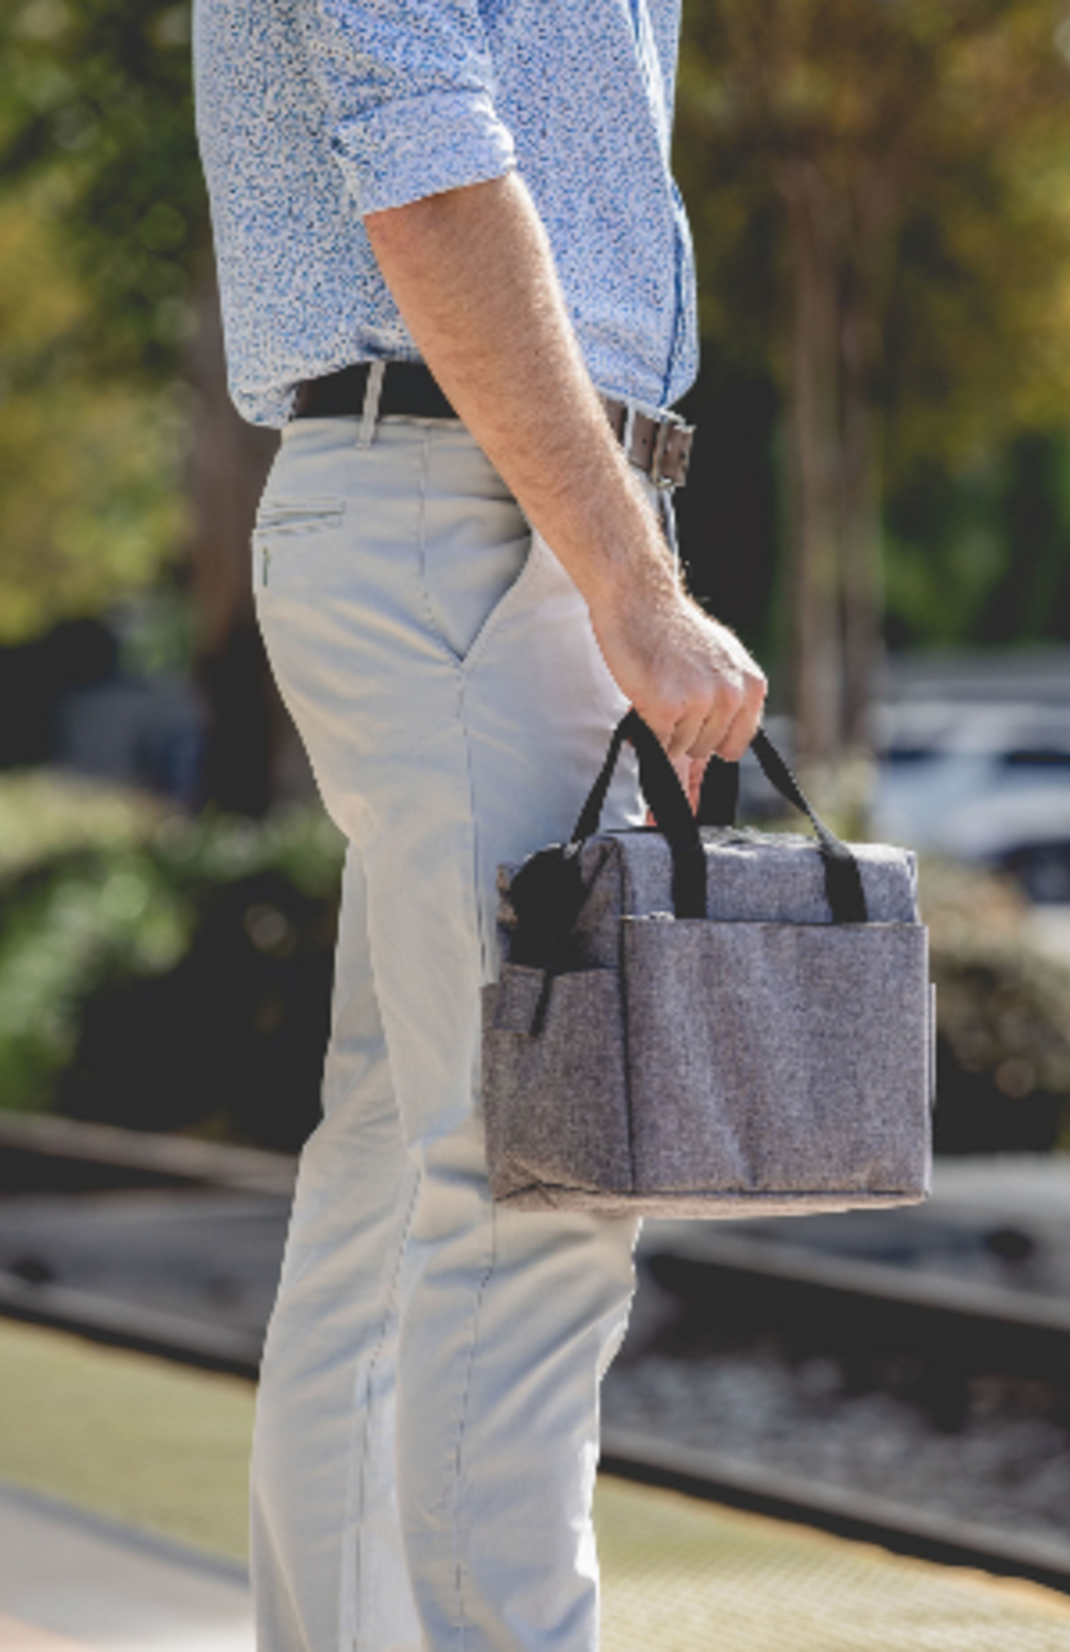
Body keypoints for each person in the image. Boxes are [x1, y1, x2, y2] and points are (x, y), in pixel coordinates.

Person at [192, 2, 767, 1647]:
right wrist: (632, 588)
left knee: (401, 1167)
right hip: (477, 519)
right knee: (542, 1181)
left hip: (474, 501)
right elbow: (428, 167)